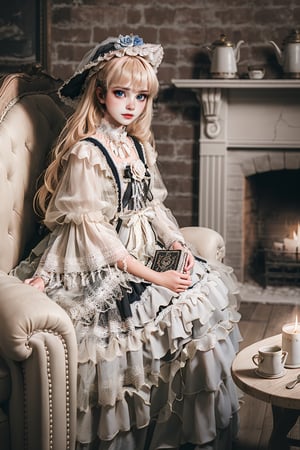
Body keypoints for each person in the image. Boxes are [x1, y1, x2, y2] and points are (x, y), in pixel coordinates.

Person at [13, 34, 241, 450]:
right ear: (100, 94)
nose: (132, 104)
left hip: (141, 249)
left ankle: (187, 434)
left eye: (141, 95)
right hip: (100, 261)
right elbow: (92, 232)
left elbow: (152, 206)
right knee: (129, 328)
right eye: (122, 93)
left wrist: (177, 244)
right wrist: (153, 274)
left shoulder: (137, 145)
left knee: (204, 297)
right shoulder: (88, 152)